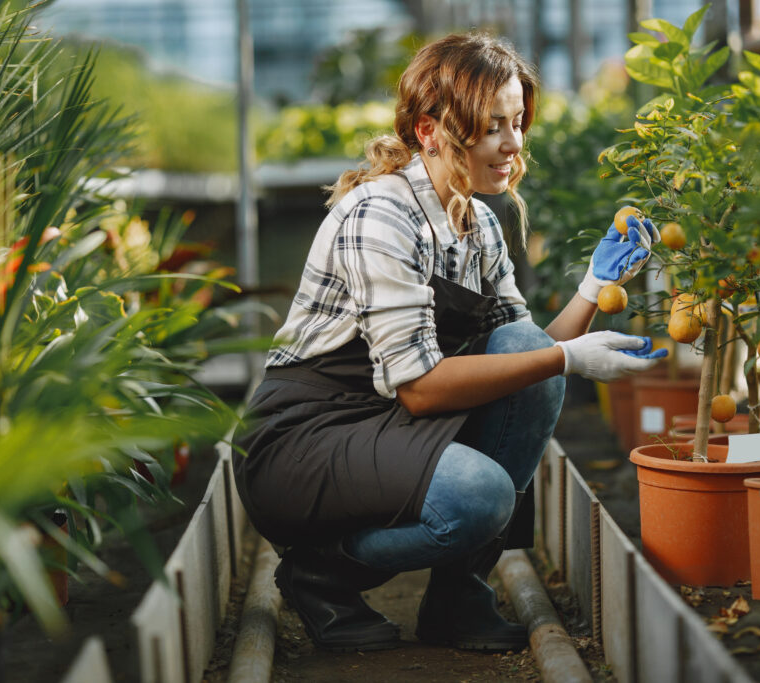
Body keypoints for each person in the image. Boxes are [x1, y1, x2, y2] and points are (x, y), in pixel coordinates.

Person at [232, 31, 667, 655]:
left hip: (386, 426)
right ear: (430, 131)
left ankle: (458, 599)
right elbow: (419, 389)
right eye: (491, 127)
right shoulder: (381, 214)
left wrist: (594, 287)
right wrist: (569, 358)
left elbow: (528, 359)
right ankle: (323, 574)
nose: (513, 144)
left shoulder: (478, 222)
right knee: (478, 495)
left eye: (517, 123)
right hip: (306, 440)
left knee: (522, 349)